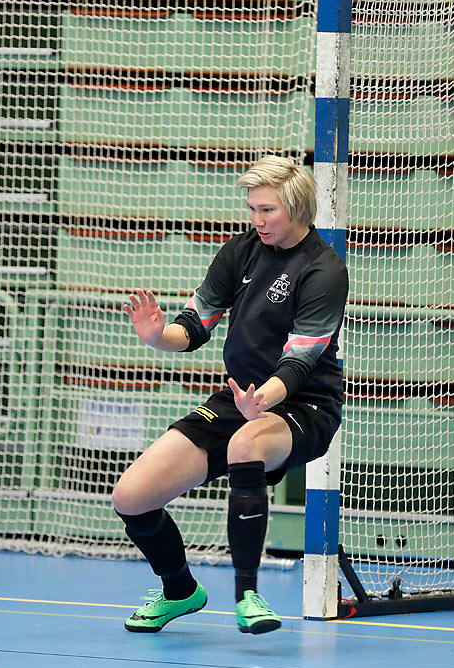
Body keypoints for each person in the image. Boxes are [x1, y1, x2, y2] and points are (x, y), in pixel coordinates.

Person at [112, 154, 347, 635]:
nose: (257, 220)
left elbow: (300, 361)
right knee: (131, 496)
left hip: (304, 405)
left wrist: (264, 401)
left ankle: (247, 595)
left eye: (268, 210)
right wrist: (157, 336)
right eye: (252, 209)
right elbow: (193, 326)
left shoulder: (323, 269)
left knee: (245, 444)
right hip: (238, 398)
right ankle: (179, 590)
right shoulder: (240, 251)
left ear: (298, 209)